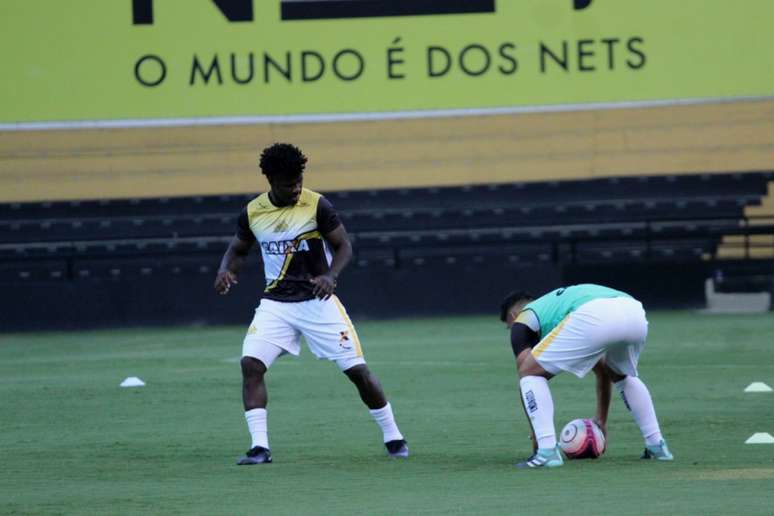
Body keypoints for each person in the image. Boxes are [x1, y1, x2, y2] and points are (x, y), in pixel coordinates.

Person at [215, 142, 408, 465]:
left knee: (357, 371)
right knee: (250, 364)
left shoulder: (317, 205)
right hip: (276, 304)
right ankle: (259, 448)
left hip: (318, 303)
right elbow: (237, 249)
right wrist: (225, 271)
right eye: (289, 184)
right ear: (270, 179)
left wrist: (331, 276)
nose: (296, 188)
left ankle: (394, 436)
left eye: (299, 181)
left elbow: (344, 246)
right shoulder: (253, 212)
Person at [499, 283, 673, 468]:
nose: (513, 330)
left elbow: (525, 373)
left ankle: (547, 451)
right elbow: (602, 371)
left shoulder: (522, 320)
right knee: (620, 374)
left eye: (509, 327)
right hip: (633, 310)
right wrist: (601, 420)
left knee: (529, 373)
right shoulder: (553, 308)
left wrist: (536, 436)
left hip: (594, 315)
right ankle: (656, 445)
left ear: (512, 316)